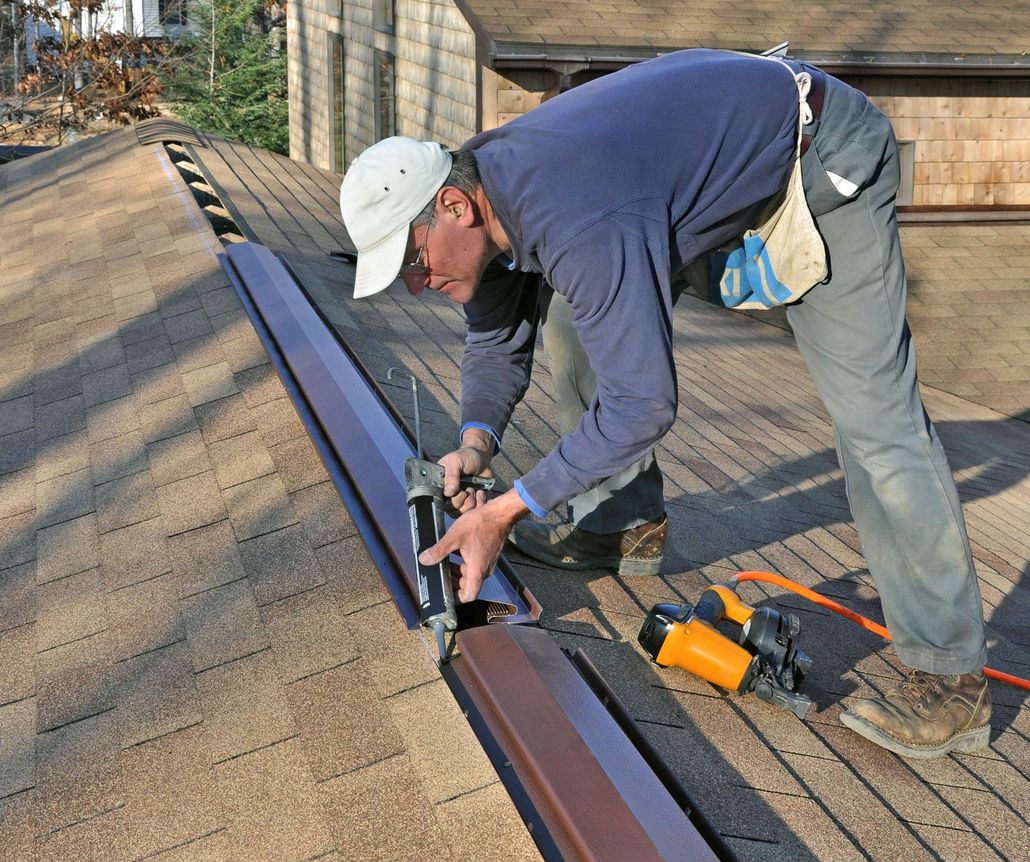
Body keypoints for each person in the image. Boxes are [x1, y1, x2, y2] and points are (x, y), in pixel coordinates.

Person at [340, 49, 991, 759]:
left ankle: (952, 679)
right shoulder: (487, 191)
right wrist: (473, 445)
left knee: (876, 421)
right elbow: (497, 341)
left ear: (454, 208)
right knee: (570, 315)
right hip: (688, 181)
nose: (415, 283)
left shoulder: (575, 210)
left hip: (817, 158)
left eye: (412, 261)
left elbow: (643, 403)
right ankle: (624, 525)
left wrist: (510, 506)